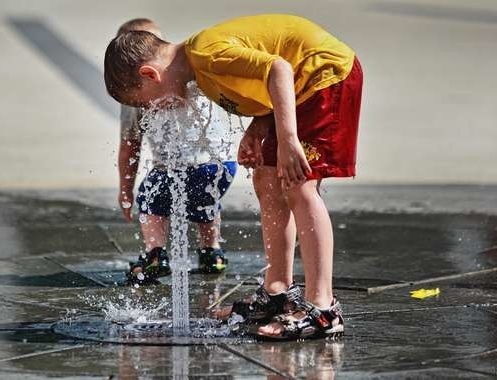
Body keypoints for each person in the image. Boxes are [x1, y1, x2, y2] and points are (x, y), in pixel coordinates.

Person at [104, 14, 362, 340]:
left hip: (325, 77)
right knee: (267, 180)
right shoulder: (201, 70)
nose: (158, 110)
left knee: (300, 186)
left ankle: (323, 308)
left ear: (150, 74)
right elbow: (265, 82)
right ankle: (277, 292)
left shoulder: (206, 54)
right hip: (303, 86)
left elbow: (280, 69)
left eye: (150, 103)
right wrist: (260, 127)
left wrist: (287, 138)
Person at [114, 18, 238, 285]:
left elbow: (129, 147)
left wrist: (126, 190)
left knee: (150, 197)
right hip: (223, 165)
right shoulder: (189, 71)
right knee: (205, 201)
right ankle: (212, 253)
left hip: (178, 168)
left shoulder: (138, 93)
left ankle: (155, 254)